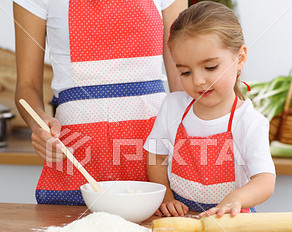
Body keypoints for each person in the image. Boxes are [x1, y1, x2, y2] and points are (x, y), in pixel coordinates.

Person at [13, 0, 187, 205]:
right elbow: (27, 84)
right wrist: (39, 123)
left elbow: (183, 82)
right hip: (77, 154)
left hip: (154, 153)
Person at [145, 1, 276, 217]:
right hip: (183, 219)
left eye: (210, 67)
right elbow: (156, 156)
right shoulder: (172, 106)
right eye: (185, 72)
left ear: (240, 58)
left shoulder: (249, 121)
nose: (198, 81)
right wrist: (166, 196)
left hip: (232, 224)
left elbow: (265, 180)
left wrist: (236, 199)